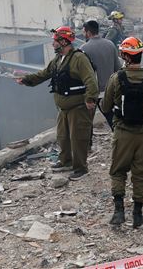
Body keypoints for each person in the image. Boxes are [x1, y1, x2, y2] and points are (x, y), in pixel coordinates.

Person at [101, 37, 143, 228]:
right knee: (141, 174)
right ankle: (138, 214)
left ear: (125, 56)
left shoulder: (116, 79)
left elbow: (105, 106)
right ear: (140, 55)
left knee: (118, 171)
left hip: (123, 133)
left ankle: (118, 212)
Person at [18, 27, 98, 180]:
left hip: (78, 107)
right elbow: (44, 74)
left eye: (55, 41)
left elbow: (90, 81)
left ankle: (81, 169)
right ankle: (66, 161)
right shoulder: (58, 60)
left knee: (78, 139)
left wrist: (90, 99)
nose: (52, 44)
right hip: (63, 108)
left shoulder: (79, 59)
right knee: (63, 137)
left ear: (63, 41)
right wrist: (26, 80)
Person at [80, 20, 121, 131]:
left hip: (94, 93)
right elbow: (118, 68)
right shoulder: (110, 44)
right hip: (112, 89)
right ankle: (122, 139)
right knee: (113, 118)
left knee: (87, 122)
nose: (84, 34)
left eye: (84, 32)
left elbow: (82, 74)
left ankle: (87, 147)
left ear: (88, 32)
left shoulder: (84, 49)